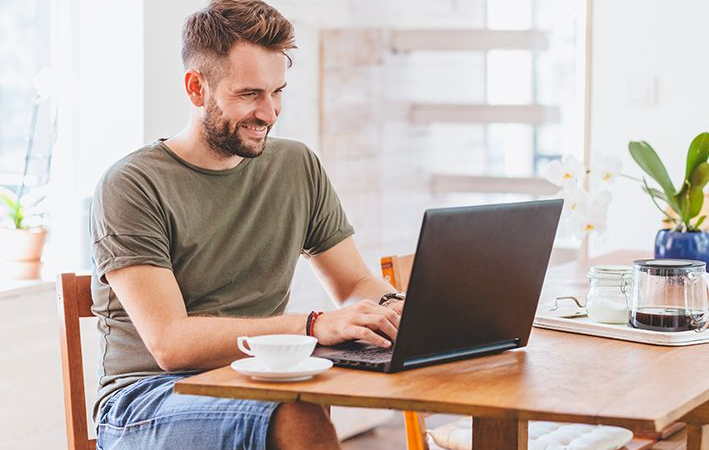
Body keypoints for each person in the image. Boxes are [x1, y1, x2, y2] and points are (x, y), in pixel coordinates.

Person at [89, 1, 405, 449]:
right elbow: (171, 344)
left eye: (278, 92)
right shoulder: (133, 185)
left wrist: (394, 311)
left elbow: (353, 281)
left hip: (258, 378)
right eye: (249, 94)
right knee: (297, 415)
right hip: (147, 400)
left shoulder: (296, 166)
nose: (270, 112)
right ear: (196, 88)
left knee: (304, 400)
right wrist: (314, 325)